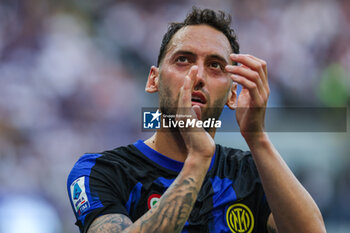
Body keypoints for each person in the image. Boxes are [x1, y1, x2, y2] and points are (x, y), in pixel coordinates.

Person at [67, 7, 326, 233]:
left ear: (232, 95)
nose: (198, 75)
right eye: (183, 60)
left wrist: (257, 137)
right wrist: (199, 157)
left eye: (215, 65)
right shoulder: (102, 171)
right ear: (153, 79)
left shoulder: (251, 174)